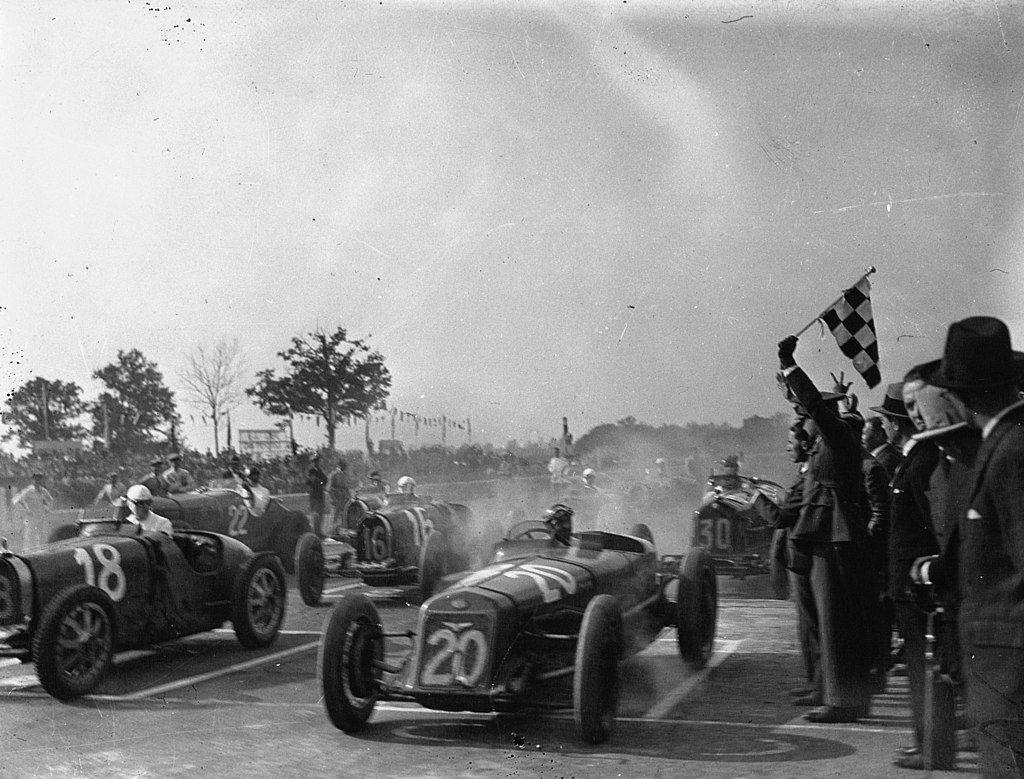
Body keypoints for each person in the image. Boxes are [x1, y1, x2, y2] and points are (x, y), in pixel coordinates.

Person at [918, 316, 1024, 777]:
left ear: (961, 395)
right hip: (999, 661)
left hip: (1010, 665)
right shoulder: (1003, 441)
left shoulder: (1013, 450)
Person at [778, 334, 873, 723]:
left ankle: (841, 701)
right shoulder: (826, 443)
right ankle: (838, 694)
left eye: (807, 414)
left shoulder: (837, 437)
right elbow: (810, 407)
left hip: (834, 536)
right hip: (827, 534)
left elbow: (816, 406)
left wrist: (790, 365)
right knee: (829, 619)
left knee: (834, 621)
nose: (802, 419)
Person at [872, 378, 947, 770]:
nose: (883, 426)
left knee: (924, 668)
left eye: (886, 419)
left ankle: (932, 746)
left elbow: (934, 526)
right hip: (910, 582)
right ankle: (930, 743)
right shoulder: (914, 458)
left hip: (919, 583)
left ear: (897, 424)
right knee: (922, 666)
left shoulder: (920, 462)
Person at [12, 472, 55, 549]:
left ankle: (43, 552)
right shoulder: (29, 490)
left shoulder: (43, 491)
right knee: (30, 536)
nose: (38, 481)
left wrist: (47, 508)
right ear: (33, 480)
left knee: (42, 535)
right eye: (36, 479)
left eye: (40, 479)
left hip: (41, 515)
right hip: (31, 517)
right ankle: (28, 552)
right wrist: (26, 510)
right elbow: (16, 500)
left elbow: (51, 500)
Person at [327, 458, 354, 533]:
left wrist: (349, 498)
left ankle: (341, 531)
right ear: (340, 465)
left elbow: (346, 488)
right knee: (334, 515)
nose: (345, 467)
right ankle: (331, 531)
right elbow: (329, 489)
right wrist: (332, 499)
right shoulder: (334, 474)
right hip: (336, 498)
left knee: (344, 515)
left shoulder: (345, 475)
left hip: (344, 498)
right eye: (343, 465)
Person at [306, 455, 328, 536]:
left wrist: (321, 482)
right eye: (316, 461)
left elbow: (325, 480)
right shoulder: (312, 471)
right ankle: (316, 532)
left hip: (319, 494)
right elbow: (312, 482)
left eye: (318, 461)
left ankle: (319, 531)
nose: (318, 462)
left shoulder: (320, 471)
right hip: (315, 495)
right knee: (316, 514)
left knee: (320, 513)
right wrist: (320, 482)